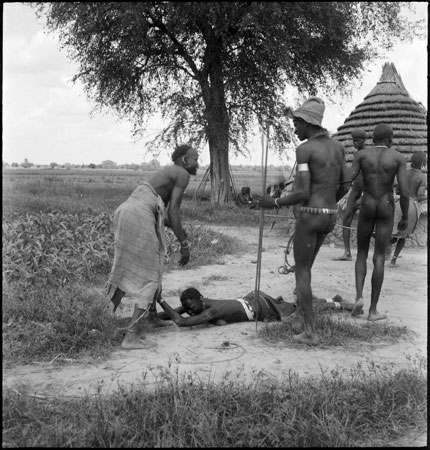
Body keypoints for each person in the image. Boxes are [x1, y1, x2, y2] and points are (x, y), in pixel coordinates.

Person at [252, 97, 350, 345]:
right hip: (329, 216)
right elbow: (347, 184)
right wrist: (329, 203)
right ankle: (298, 318)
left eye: (296, 123)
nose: (294, 128)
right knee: (305, 269)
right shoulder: (338, 148)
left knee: (302, 274)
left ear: (308, 122)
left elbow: (302, 192)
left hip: (310, 216)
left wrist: (272, 203)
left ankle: (310, 332)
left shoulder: (305, 150)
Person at [106, 144, 199, 349]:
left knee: (123, 269)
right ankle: (131, 337)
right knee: (150, 273)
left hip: (127, 212)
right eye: (194, 159)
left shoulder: (169, 172)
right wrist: (183, 243)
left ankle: (124, 320)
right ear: (184, 159)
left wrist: (179, 231)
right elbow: (173, 213)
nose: (198, 164)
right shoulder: (182, 173)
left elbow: (163, 217)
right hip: (139, 215)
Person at [349, 124, 409, 321]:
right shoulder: (398, 157)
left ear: (373, 139)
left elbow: (349, 179)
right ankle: (373, 311)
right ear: (390, 139)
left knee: (362, 253)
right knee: (380, 257)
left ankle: (359, 297)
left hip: (367, 204)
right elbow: (405, 191)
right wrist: (406, 216)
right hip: (386, 205)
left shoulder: (362, 155)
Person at [156, 287, 358, 328]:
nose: (191, 312)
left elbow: (181, 322)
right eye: (188, 309)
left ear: (199, 299)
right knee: (294, 305)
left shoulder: (210, 311)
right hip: (252, 299)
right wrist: (155, 313)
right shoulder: (202, 303)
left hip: (261, 305)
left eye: (191, 307)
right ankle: (332, 299)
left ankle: (339, 304)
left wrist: (160, 299)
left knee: (296, 310)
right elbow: (174, 314)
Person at [334, 128, 367, 261]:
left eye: (358, 141)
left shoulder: (367, 154)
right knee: (346, 218)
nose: (355, 143)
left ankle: (385, 248)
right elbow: (351, 176)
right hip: (356, 189)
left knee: (368, 222)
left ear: (364, 141)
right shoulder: (357, 154)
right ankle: (347, 253)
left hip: (367, 190)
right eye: (354, 140)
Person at [389, 152, 427, 267]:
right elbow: (420, 197)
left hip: (398, 204)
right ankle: (393, 261)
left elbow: (398, 191)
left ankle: (384, 252)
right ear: (423, 164)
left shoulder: (404, 173)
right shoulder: (423, 177)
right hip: (411, 207)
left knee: (393, 232)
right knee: (403, 235)